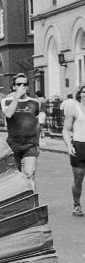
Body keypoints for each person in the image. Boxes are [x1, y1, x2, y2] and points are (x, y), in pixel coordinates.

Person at [0, 73, 45, 189]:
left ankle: (32, 205)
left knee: (30, 174)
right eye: (19, 84)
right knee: (15, 177)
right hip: (13, 144)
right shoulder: (6, 101)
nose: (22, 86)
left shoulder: (34, 102)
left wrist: (38, 144)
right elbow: (9, 114)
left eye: (25, 84)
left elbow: (37, 125)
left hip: (30, 145)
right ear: (14, 86)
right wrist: (16, 98)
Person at [62, 85, 85, 217]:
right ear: (80, 94)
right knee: (78, 178)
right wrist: (68, 145)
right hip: (79, 146)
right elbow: (66, 129)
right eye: (84, 92)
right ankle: (76, 205)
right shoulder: (73, 107)